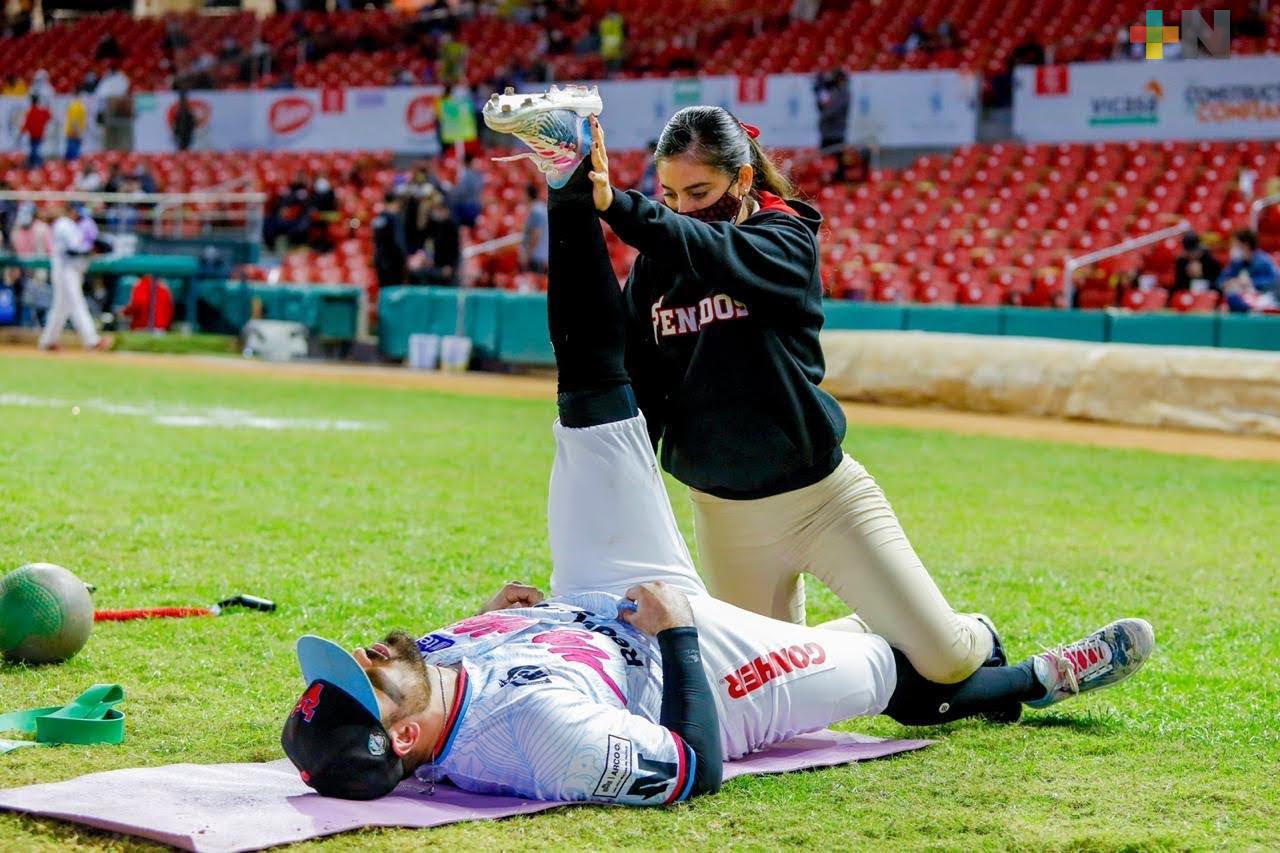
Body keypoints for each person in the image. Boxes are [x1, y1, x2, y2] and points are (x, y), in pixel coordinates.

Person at [280, 136, 1156, 803]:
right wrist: (681, 634)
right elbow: (691, 767)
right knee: (899, 673)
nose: (364, 655)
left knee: (591, 402)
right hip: (680, 656)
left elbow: (639, 373)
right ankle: (1042, 676)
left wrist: (496, 622)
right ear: (401, 737)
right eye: (364, 679)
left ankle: (560, 171)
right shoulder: (541, 743)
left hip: (603, 593)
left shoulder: (432, 668)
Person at [488, 87, 1006, 689]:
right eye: (672, 195)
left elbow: (716, 250)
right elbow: (639, 379)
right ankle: (888, 634)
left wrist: (619, 204)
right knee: (764, 681)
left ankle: (969, 632)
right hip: (724, 512)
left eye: (700, 193)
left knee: (947, 660)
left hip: (822, 499)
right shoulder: (659, 262)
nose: (683, 209)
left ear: (740, 178)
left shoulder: (785, 237)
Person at [38, 200, 109, 351]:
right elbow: (74, 249)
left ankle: (48, 341)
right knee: (77, 303)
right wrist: (93, 249)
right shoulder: (64, 224)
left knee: (61, 308)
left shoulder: (69, 224)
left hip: (70, 269)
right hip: (66, 270)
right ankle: (92, 341)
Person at [1218, 228, 1279, 312]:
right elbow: (1221, 280)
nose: (1232, 248)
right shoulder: (1236, 263)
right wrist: (1229, 282)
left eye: (1235, 245)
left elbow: (1274, 281)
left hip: (1264, 299)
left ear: (1245, 246)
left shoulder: (1264, 261)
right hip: (1242, 298)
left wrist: (1251, 282)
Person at [372, 191, 408, 289]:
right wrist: (404, 259)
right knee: (394, 292)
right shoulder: (394, 219)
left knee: (384, 290)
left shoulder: (379, 218)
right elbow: (398, 242)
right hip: (393, 263)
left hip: (380, 262)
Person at [449, 153, 485, 228]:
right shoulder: (478, 175)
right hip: (475, 205)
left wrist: (452, 191)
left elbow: (461, 192)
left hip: (468, 207)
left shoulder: (468, 176)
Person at [520, 183, 548, 273]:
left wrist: (528, 254)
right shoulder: (541, 208)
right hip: (541, 255)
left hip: (536, 256)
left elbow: (536, 233)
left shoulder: (537, 211)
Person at [19, 95, 52, 168]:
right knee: (35, 149)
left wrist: (21, 132)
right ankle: (36, 163)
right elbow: (49, 117)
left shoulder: (30, 111)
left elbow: (26, 124)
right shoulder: (42, 111)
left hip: (34, 135)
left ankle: (36, 164)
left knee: (34, 150)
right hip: (39, 135)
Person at [64, 89, 88, 162]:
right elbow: (75, 121)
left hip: (73, 133)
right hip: (75, 133)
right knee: (73, 156)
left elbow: (75, 121)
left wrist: (77, 133)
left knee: (72, 157)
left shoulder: (75, 106)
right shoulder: (80, 106)